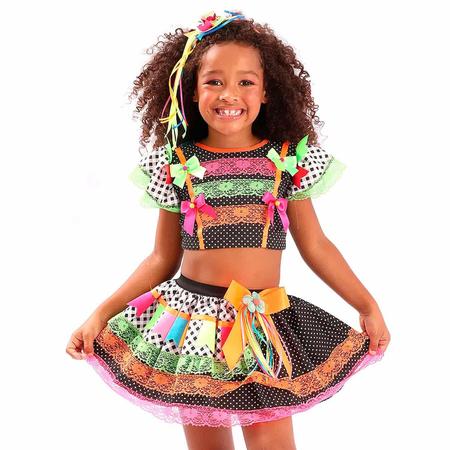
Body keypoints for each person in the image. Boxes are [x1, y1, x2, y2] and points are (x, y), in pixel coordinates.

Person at [66, 10, 390, 450]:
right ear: (191, 90)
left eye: (246, 82)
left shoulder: (287, 162)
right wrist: (100, 314)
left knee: (272, 442)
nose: (229, 94)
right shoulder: (178, 164)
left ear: (267, 90)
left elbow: (315, 245)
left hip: (263, 325)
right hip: (192, 326)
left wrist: (366, 304)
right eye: (214, 81)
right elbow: (162, 258)